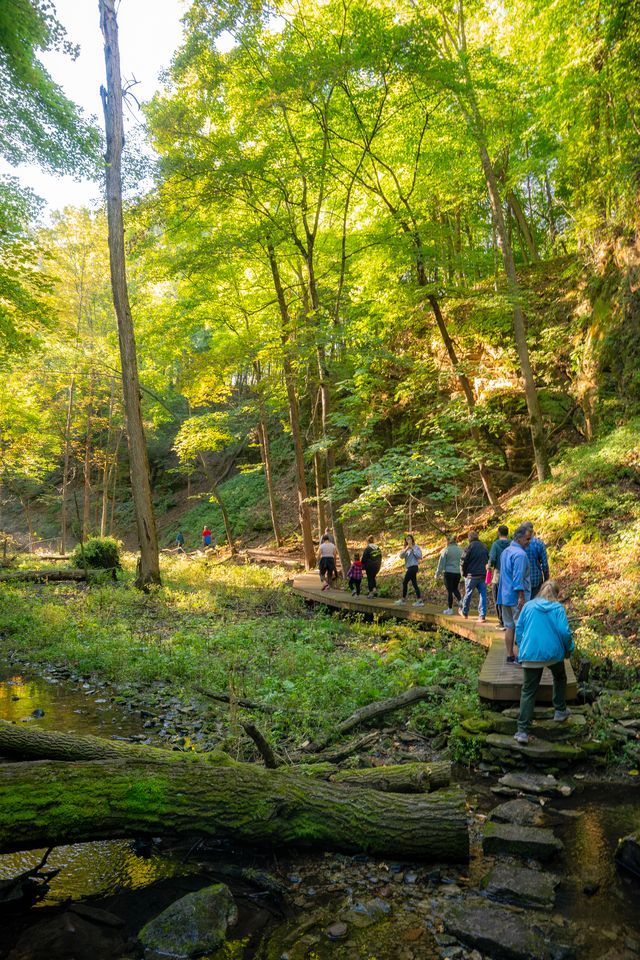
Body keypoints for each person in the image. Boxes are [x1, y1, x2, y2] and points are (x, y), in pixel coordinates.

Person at [513, 580, 574, 745]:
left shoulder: (528, 606)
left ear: (540, 591)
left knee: (528, 691)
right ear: (556, 594)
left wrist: (521, 645)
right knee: (560, 677)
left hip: (531, 654)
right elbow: (564, 632)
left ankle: (522, 731)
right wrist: (569, 648)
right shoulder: (558, 609)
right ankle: (560, 710)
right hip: (553, 653)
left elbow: (519, 628)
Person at [497, 523, 533, 663]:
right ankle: (522, 656)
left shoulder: (506, 552)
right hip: (516, 597)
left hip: (504, 596)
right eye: (527, 539)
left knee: (509, 626)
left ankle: (510, 655)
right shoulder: (520, 555)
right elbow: (518, 578)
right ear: (519, 539)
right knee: (520, 625)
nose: (529, 542)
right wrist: (521, 597)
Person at [460, 531, 489, 622]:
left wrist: (463, 573)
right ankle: (482, 615)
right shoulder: (484, 547)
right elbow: (488, 559)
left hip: (471, 576)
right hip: (482, 575)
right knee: (483, 594)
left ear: (469, 538)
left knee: (468, 594)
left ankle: (465, 612)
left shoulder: (469, 547)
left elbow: (463, 561)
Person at [488, 525, 510, 627]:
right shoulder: (512, 544)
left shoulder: (496, 544)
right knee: (508, 596)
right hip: (510, 574)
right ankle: (508, 620)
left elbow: (492, 559)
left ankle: (501, 620)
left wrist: (489, 566)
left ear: (498, 533)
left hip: (498, 573)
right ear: (507, 533)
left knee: (497, 596)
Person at [435, 536, 462, 614]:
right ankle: (461, 601)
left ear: (448, 542)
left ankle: (450, 609)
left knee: (449, 591)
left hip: (448, 573)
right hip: (457, 573)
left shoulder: (446, 550)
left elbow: (441, 563)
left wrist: (437, 573)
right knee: (455, 589)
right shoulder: (460, 550)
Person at [523, 522, 550, 599]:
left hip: (523, 580)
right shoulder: (539, 544)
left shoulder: (520, 544)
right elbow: (544, 564)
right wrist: (546, 579)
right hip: (536, 580)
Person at [395, 535, 424, 606]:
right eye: (407, 539)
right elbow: (401, 556)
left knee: (405, 582)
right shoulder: (405, 548)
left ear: (412, 539)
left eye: (409, 539)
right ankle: (419, 600)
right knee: (414, 584)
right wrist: (406, 549)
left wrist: (413, 549)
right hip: (409, 567)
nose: (408, 540)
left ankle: (403, 599)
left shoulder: (416, 547)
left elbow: (420, 556)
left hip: (414, 567)